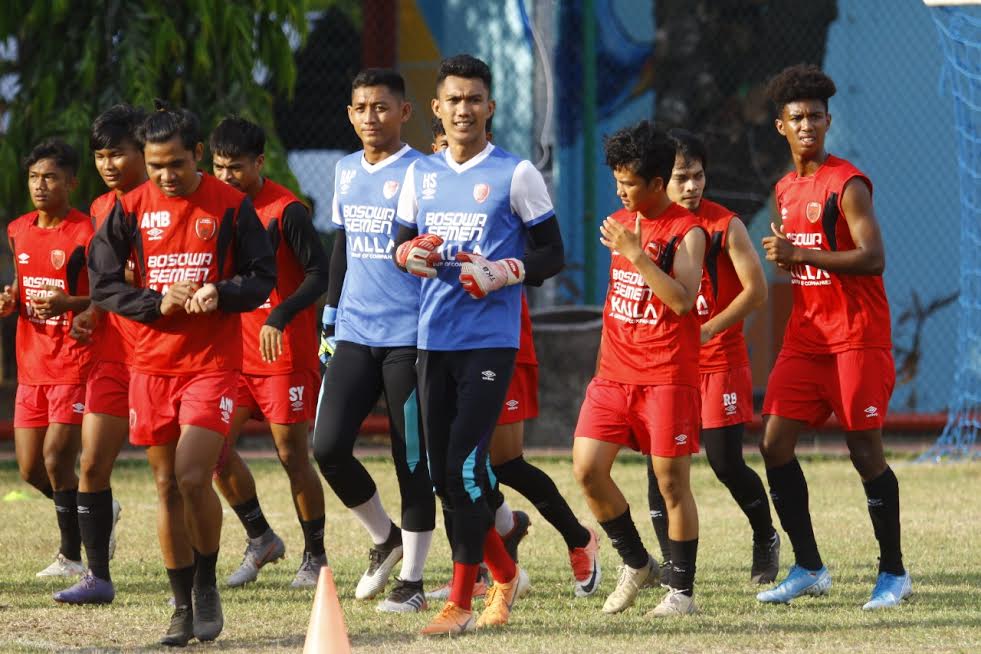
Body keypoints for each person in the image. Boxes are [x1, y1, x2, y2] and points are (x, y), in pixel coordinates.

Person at [88, 101, 276, 646]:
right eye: (154, 165)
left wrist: (224, 291)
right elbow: (103, 284)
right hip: (150, 366)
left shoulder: (231, 206)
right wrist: (154, 301)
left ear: (197, 154)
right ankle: (179, 605)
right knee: (167, 485)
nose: (166, 176)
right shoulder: (128, 208)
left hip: (212, 366)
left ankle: (206, 584)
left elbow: (261, 277)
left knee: (194, 474)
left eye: (175, 163)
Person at [394, 54, 564, 634]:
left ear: (490, 108)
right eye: (454, 100)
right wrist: (408, 255)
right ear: (437, 109)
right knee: (443, 477)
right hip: (430, 340)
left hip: (489, 345)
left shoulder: (516, 174)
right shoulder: (421, 175)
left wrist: (507, 270)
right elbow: (403, 243)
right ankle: (506, 574)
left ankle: (463, 603)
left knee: (465, 471)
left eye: (474, 99)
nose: (464, 109)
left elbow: (553, 253)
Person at [427, 118, 602, 601]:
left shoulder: (507, 183)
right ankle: (489, 556)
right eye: (439, 146)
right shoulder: (429, 191)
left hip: (502, 345)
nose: (447, 151)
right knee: (456, 464)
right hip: (441, 345)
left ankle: (577, 538)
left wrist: (503, 271)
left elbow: (547, 254)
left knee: (499, 463)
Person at [758, 64, 909, 610]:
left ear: (828, 121)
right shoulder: (784, 188)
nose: (807, 125)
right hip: (807, 338)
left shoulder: (848, 184)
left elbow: (874, 258)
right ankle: (808, 566)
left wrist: (801, 254)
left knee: (863, 449)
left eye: (816, 117)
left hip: (857, 338)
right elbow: (800, 265)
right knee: (773, 444)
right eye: (796, 117)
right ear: (781, 125)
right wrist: (790, 259)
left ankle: (892, 572)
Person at [313, 68, 435, 613]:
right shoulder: (343, 170)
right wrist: (331, 316)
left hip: (410, 339)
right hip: (355, 334)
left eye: (382, 108)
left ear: (405, 112)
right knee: (328, 447)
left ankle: (412, 580)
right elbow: (343, 244)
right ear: (349, 113)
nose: (371, 118)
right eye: (361, 108)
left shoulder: (424, 175)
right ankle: (383, 537)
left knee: (411, 459)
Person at [572, 121, 706, 617]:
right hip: (613, 375)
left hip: (667, 376)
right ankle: (637, 562)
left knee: (671, 483)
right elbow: (617, 297)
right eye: (617, 181)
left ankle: (682, 593)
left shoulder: (687, 232)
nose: (620, 190)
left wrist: (638, 255)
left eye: (628, 182)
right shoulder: (617, 219)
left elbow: (683, 302)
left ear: (656, 183)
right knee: (587, 470)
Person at [645, 128, 778, 587]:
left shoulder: (725, 225)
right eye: (681, 177)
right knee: (658, 467)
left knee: (724, 463)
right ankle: (670, 564)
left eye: (698, 176)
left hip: (718, 359)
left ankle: (766, 537)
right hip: (664, 365)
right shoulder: (648, 226)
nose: (691, 186)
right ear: (661, 179)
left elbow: (756, 292)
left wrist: (706, 330)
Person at [210, 116, 329, 589]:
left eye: (236, 167)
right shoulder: (213, 209)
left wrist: (280, 315)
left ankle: (316, 555)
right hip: (231, 356)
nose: (225, 177)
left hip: (282, 354)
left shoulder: (286, 210)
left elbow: (319, 275)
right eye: (218, 167)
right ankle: (260, 537)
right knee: (212, 449)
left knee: (291, 454)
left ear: (259, 162)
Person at [53, 104, 148, 605]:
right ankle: (98, 577)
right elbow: (104, 282)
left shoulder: (160, 202)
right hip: (112, 352)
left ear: (143, 153)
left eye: (118, 154)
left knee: (188, 472)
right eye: (101, 156)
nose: (109, 164)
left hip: (159, 354)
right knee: (91, 465)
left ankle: (210, 571)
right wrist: (92, 309)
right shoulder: (97, 208)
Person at [2, 139, 94, 584]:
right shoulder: (18, 228)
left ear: (71, 182)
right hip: (31, 365)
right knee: (29, 468)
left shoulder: (85, 232)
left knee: (58, 459)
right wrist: (10, 299)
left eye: (51, 177)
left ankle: (71, 555)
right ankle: (94, 509)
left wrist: (70, 304)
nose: (41, 185)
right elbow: (22, 287)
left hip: (72, 362)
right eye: (35, 177)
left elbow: (104, 296)